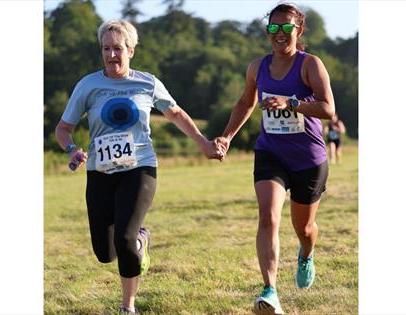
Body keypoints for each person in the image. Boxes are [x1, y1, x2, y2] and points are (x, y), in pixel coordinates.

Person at [55, 19, 224, 315]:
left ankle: (127, 307)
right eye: (106, 49)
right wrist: (72, 150)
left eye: (118, 48)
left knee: (123, 238)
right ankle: (141, 239)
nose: (111, 55)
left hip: (140, 168)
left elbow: (175, 113)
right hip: (100, 172)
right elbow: (63, 128)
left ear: (131, 50)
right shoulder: (89, 85)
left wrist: (202, 142)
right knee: (105, 252)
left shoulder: (147, 82)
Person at [213, 3, 335, 314]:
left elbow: (327, 109)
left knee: (304, 229)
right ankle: (270, 291)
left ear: (299, 30)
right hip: (271, 152)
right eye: (273, 28)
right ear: (268, 31)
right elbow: (245, 102)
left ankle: (306, 254)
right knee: (268, 216)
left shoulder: (310, 65)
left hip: (309, 157)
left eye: (286, 28)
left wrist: (291, 102)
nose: (279, 34)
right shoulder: (257, 67)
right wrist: (227, 136)